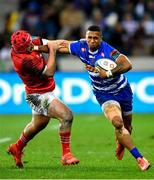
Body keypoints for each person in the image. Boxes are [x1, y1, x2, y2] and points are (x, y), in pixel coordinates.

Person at [35, 25, 150, 171]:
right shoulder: (81, 46)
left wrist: (108, 73)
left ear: (101, 39)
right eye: (89, 37)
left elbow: (127, 64)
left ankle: (121, 142)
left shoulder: (108, 50)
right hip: (104, 94)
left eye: (96, 38)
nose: (92, 40)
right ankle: (140, 159)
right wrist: (34, 48)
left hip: (123, 91)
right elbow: (57, 45)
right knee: (117, 122)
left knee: (127, 127)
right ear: (86, 37)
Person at [7, 30, 79, 168]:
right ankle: (66, 155)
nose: (30, 46)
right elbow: (49, 72)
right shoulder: (24, 61)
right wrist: (52, 51)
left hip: (41, 91)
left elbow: (49, 43)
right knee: (67, 116)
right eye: (29, 46)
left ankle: (17, 147)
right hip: (37, 96)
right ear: (22, 49)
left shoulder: (24, 43)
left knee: (38, 125)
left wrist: (75, 46)